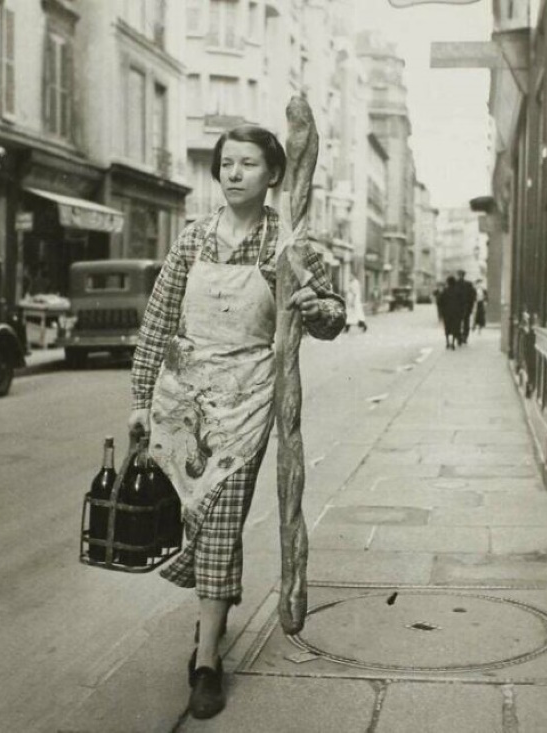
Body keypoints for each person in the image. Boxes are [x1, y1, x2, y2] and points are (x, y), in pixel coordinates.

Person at [128, 124, 345, 720]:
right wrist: (142, 400)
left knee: (221, 519)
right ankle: (215, 612)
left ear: (273, 174)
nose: (233, 173)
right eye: (226, 163)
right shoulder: (193, 237)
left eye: (248, 164)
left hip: (248, 404)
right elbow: (157, 322)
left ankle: (205, 663)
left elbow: (332, 319)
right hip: (183, 404)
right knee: (195, 522)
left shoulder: (291, 244)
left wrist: (313, 305)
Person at [454, 269, 476, 345]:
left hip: (464, 306)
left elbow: (473, 296)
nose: (460, 276)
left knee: (463, 322)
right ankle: (461, 337)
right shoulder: (466, 284)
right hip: (460, 307)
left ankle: (463, 337)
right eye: (459, 275)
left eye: (461, 275)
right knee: (460, 322)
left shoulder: (467, 284)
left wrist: (471, 306)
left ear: (463, 275)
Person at [438, 275, 461, 349]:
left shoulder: (445, 291)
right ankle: (453, 343)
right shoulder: (458, 291)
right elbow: (462, 302)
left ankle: (447, 342)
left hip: (447, 313)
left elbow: (439, 301)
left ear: (448, 282)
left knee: (447, 327)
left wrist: (441, 311)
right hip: (456, 312)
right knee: (455, 327)